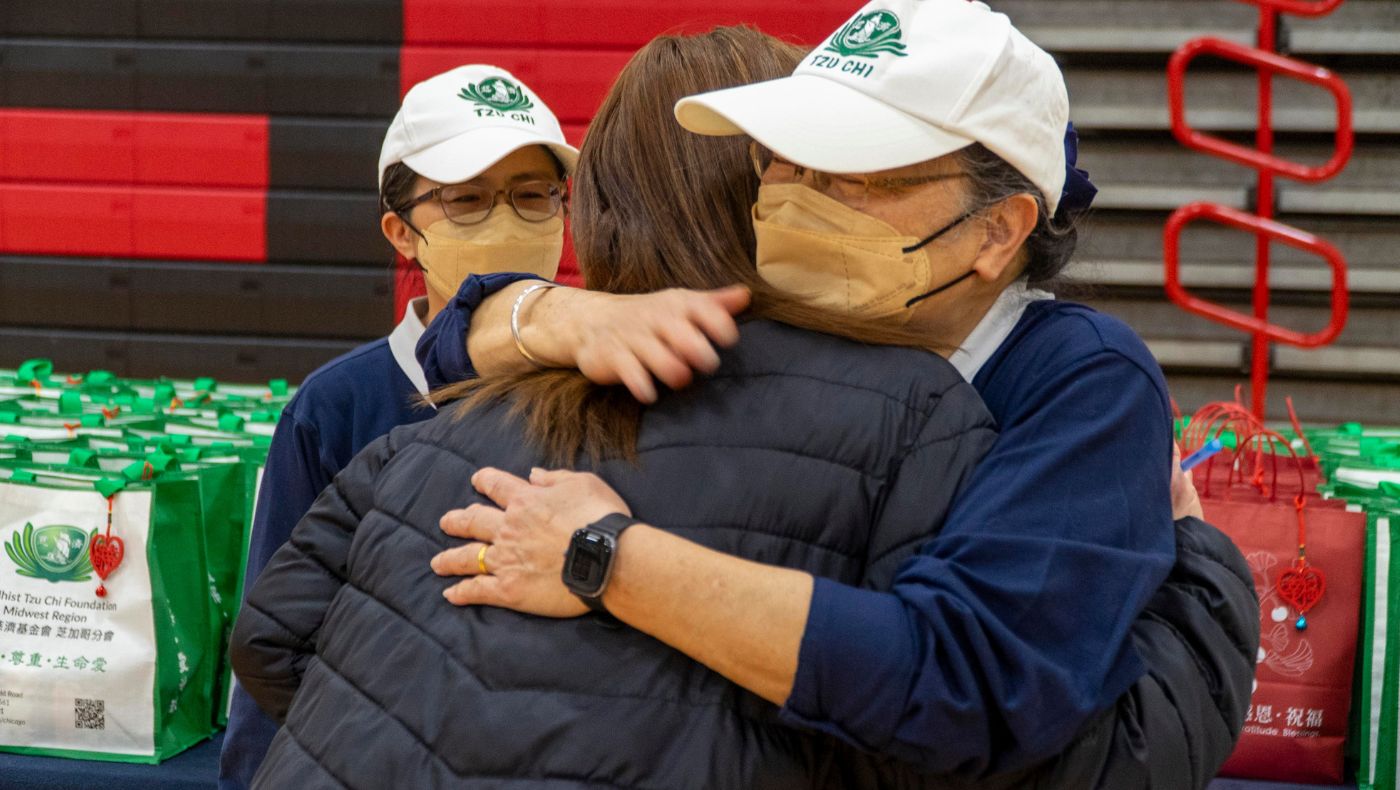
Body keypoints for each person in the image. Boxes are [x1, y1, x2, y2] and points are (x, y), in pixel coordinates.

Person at [422, 2, 1257, 786]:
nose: (800, 200)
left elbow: (973, 686)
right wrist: (542, 310)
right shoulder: (771, 331)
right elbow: (440, 352)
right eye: (786, 158)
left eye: (862, 176)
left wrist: (607, 556)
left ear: (998, 231)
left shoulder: (1075, 378)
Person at [231, 27, 1014, 788]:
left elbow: (271, 635)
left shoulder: (459, 414)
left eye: (534, 196)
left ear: (593, 204)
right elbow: (945, 717)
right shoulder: (915, 412)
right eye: (468, 201)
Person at [218, 64, 579, 790]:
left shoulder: (607, 389)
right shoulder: (337, 408)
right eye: (468, 200)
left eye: (534, 195)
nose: (508, 222)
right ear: (403, 232)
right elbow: (271, 642)